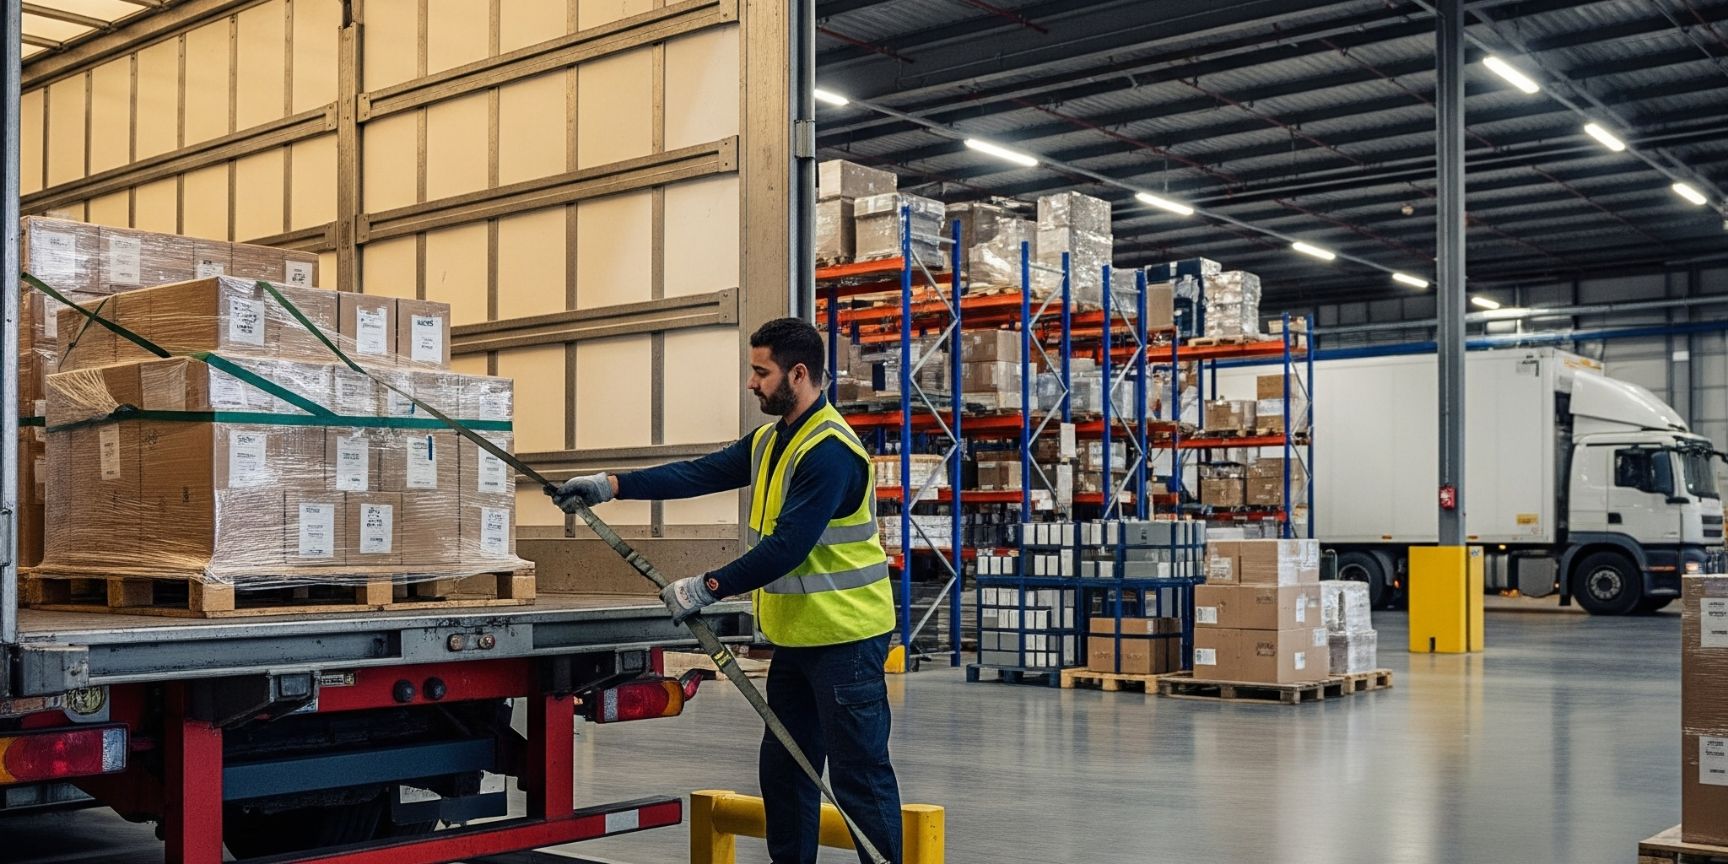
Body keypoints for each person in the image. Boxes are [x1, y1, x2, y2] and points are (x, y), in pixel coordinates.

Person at [554, 317, 902, 864]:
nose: (751, 383)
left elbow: (787, 547)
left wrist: (705, 587)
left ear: (800, 373)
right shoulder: (771, 439)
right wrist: (612, 486)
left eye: (761, 372)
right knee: (785, 772)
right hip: (798, 640)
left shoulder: (830, 452)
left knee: (859, 775)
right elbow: (699, 473)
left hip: (847, 642)